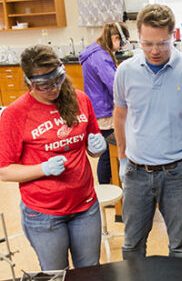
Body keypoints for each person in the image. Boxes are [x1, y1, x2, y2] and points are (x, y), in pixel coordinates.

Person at [113, 4, 182, 260]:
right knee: (132, 245)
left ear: (174, 36)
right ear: (137, 37)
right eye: (147, 43)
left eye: (162, 43)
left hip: (178, 173)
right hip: (136, 172)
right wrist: (122, 157)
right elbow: (120, 114)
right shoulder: (125, 71)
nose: (155, 50)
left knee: (180, 247)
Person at [0, 45, 107, 270]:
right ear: (29, 82)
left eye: (57, 80)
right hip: (44, 213)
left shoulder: (80, 100)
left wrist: (97, 148)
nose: (53, 89)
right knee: (57, 274)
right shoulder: (15, 114)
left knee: (89, 271)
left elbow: (91, 148)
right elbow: (4, 170)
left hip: (85, 206)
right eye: (43, 85)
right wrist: (43, 169)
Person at [79, 22, 130, 184]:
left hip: (98, 108)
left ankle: (109, 186)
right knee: (108, 154)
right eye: (121, 43)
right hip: (104, 112)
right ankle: (106, 189)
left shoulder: (96, 51)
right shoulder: (100, 56)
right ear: (115, 38)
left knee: (107, 153)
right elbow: (114, 85)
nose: (120, 48)